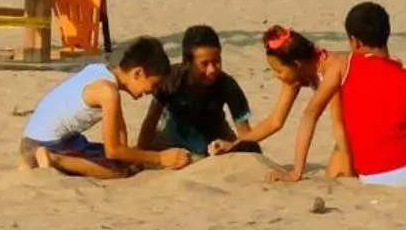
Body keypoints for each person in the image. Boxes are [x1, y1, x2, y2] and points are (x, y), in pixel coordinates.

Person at [273, 2, 406, 189]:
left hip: (372, 176)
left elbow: (310, 114)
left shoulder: (342, 66)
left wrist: (296, 172)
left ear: (354, 41)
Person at [20, 36, 191, 179]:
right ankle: (52, 159)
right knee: (118, 172)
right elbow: (113, 150)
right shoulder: (107, 92)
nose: (151, 92)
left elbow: (120, 132)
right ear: (138, 73)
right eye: (153, 85)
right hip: (45, 144)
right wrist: (159, 158)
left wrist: (132, 157)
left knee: (118, 161)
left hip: (52, 138)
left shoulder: (101, 72)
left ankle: (48, 157)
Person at [139, 26, 256, 157]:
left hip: (215, 142)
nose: (212, 70)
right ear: (187, 63)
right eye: (204, 64)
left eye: (216, 61)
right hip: (172, 139)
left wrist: (233, 146)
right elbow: (150, 122)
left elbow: (245, 133)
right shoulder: (170, 80)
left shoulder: (228, 85)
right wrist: (140, 156)